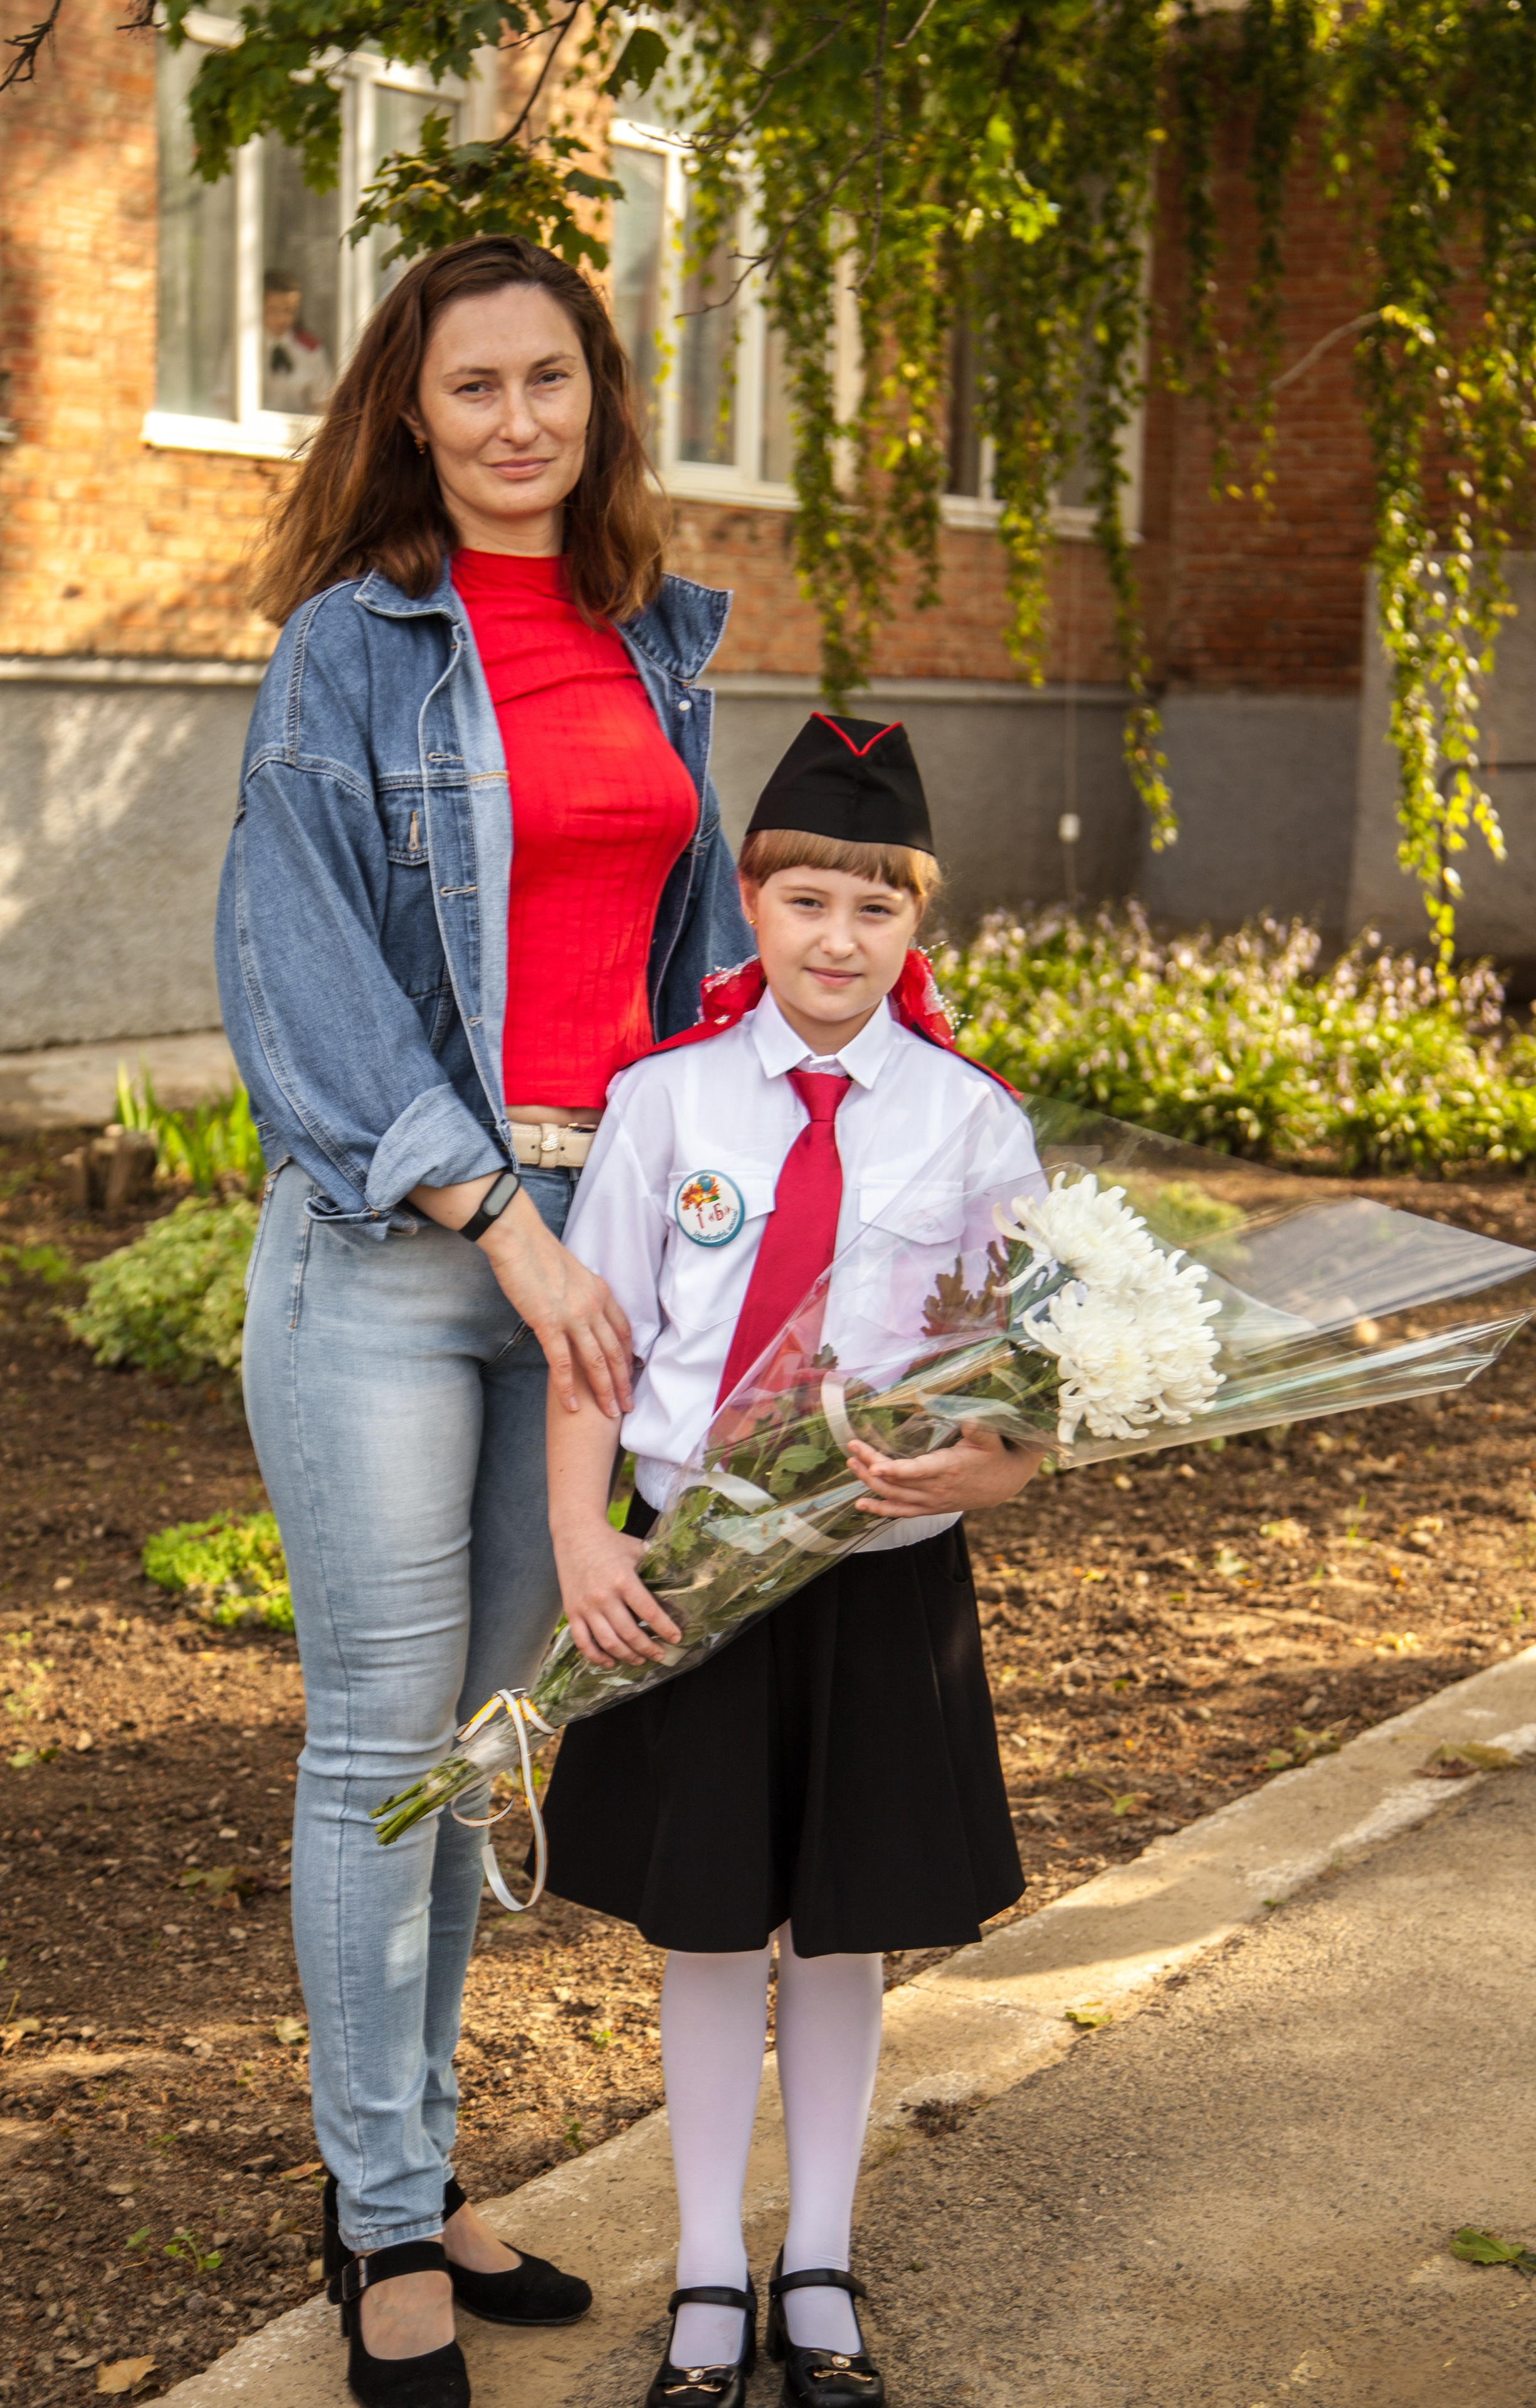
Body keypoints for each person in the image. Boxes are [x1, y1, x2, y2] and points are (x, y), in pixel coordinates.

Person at [216, 233, 747, 2408]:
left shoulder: (659, 639)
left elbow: (693, 965)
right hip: (394, 1251)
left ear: (599, 398)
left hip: (594, 1250)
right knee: (380, 1744)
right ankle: (375, 2219)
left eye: (552, 378)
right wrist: (504, 1220)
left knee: (476, 1748)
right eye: (473, 387)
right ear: (410, 415)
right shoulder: (349, 647)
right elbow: (299, 967)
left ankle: (419, 2177)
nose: (518, 420)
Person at [537, 712, 1044, 2408]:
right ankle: (705, 2269)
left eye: (874, 906)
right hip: (690, 1563)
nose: (837, 938)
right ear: (749, 903)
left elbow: (1028, 1394)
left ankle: (815, 2263)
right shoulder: (664, 1099)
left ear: (918, 922)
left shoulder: (972, 1121)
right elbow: (595, 1355)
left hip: (877, 1570)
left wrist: (984, 1468)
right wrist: (582, 1543)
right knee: (704, 1925)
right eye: (806, 899)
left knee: (839, 1929)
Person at [261, 270, 334, 413]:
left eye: (289, 311)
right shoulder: (244, 347)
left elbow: (322, 402)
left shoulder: (310, 349)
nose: (282, 319)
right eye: (273, 310)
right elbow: (225, 399)